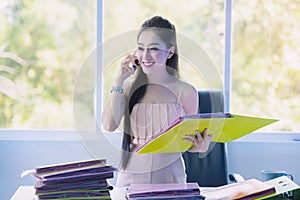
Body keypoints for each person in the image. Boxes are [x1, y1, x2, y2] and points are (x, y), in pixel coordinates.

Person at [102, 15, 212, 187]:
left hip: (171, 178)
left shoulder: (186, 91)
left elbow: (190, 141)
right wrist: (119, 81)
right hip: (131, 178)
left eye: (153, 49)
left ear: (170, 51)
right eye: (140, 48)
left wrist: (201, 146)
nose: (145, 55)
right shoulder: (129, 88)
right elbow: (108, 125)